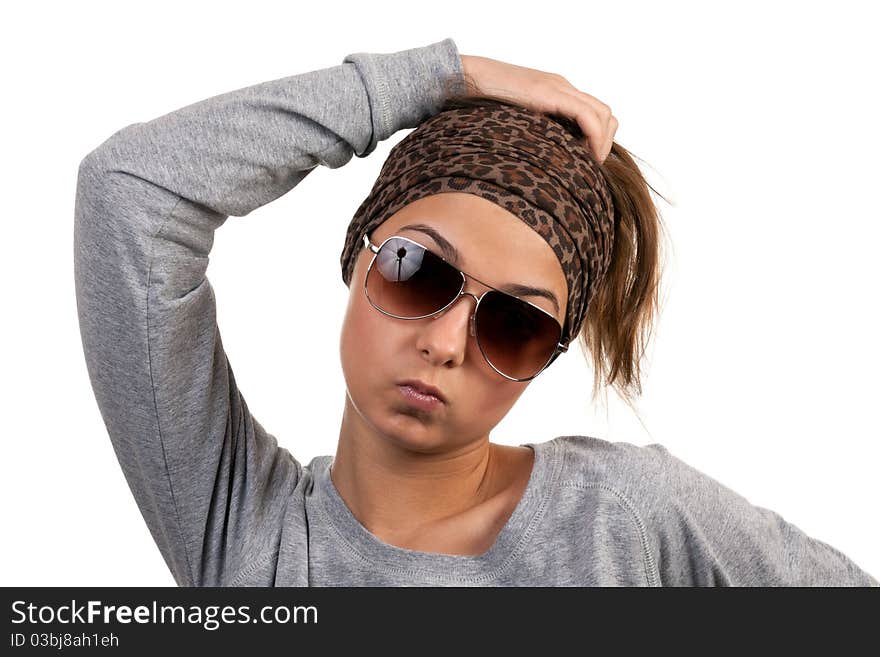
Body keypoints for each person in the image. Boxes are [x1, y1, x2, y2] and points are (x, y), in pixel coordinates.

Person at [74, 38, 877, 587]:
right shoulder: (254, 544)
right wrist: (437, 78)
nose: (447, 342)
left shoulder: (628, 516)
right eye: (418, 271)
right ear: (359, 255)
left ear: (548, 355)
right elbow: (131, 192)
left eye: (513, 325)